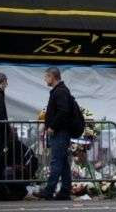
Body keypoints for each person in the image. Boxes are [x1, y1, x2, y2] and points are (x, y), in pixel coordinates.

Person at [34, 67, 74, 201]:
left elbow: (63, 111)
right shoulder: (59, 90)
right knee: (62, 162)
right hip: (61, 131)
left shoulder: (60, 91)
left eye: (46, 77)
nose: (45, 79)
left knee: (56, 161)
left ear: (52, 76)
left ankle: (49, 190)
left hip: (60, 132)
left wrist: (52, 126)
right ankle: (65, 191)